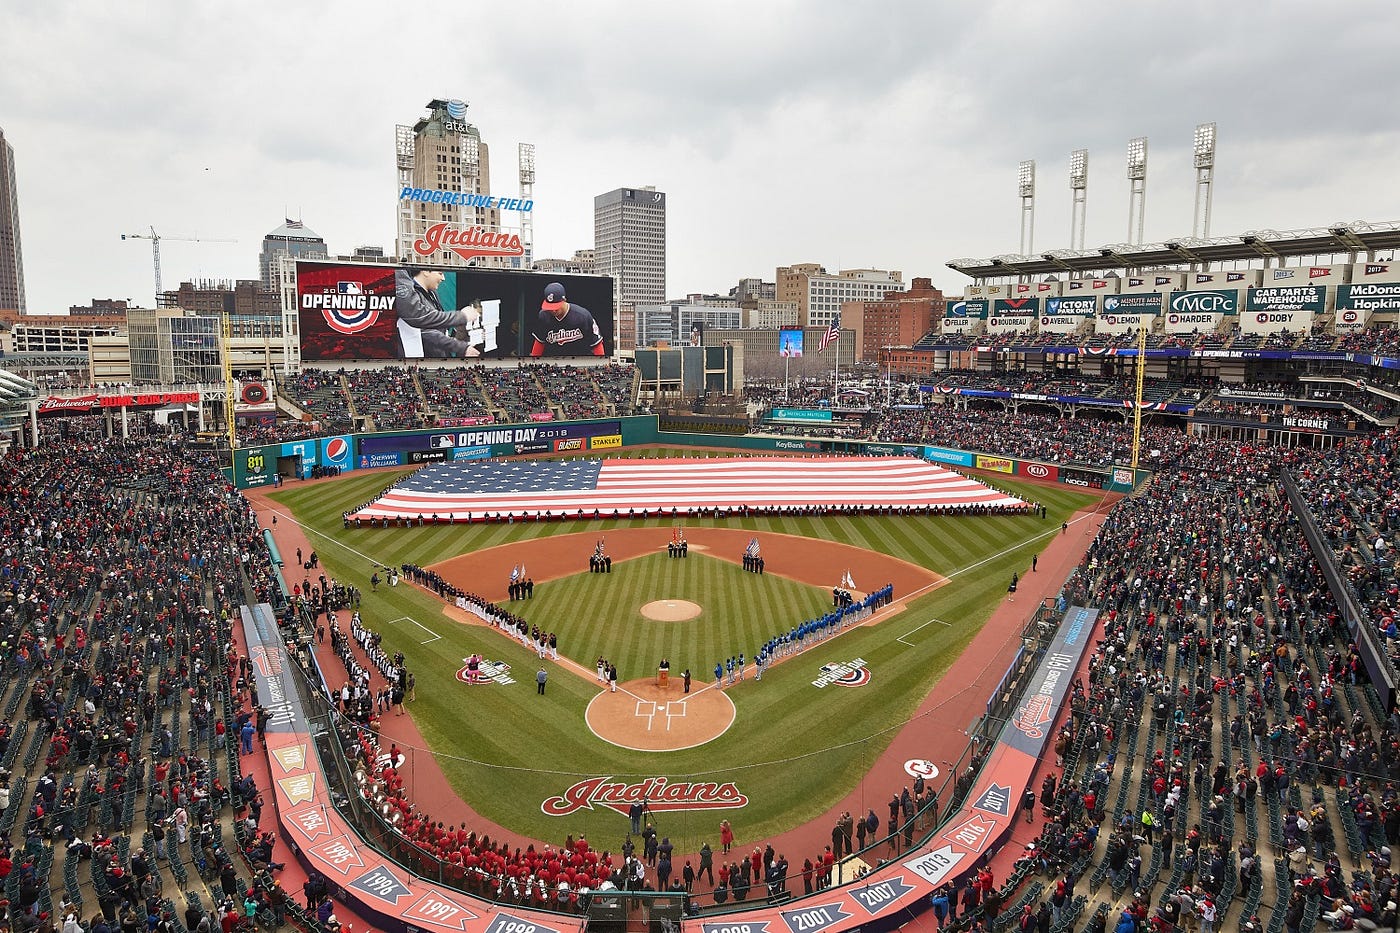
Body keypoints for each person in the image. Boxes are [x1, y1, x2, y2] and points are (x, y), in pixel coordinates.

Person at [393, 266, 482, 359]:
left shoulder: (433, 294)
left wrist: (464, 334)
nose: (443, 278)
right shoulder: (410, 300)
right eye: (440, 273)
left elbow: (440, 329)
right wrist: (462, 317)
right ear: (426, 271)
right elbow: (428, 332)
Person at [530, 282, 604, 356]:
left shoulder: (583, 316)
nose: (553, 310)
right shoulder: (543, 316)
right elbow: (539, 342)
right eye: (550, 307)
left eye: (556, 307)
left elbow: (596, 344)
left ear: (564, 300)